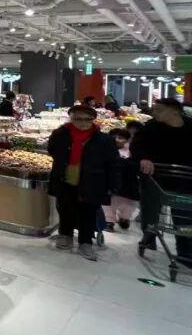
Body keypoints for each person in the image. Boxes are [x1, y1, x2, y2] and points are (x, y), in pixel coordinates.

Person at [46, 104, 120, 261]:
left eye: (87, 119)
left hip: (92, 181)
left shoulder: (104, 140)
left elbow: (112, 163)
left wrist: (112, 185)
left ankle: (85, 242)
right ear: (71, 119)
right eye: (78, 119)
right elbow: (52, 150)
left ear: (93, 120)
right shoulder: (60, 135)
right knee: (65, 208)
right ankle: (65, 235)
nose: (83, 122)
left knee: (89, 211)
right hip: (65, 179)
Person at [131, 98, 192, 264]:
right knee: (151, 208)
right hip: (156, 177)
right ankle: (149, 236)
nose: (154, 113)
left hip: (186, 179)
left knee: (184, 214)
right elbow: (137, 146)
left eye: (159, 110)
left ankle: (185, 249)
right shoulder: (151, 127)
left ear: (175, 111)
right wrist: (144, 158)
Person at [104, 128, 137, 230]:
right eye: (114, 137)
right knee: (109, 202)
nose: (117, 140)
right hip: (111, 180)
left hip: (128, 182)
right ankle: (109, 221)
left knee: (127, 203)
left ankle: (124, 218)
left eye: (121, 138)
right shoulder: (106, 149)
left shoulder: (132, 150)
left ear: (127, 140)